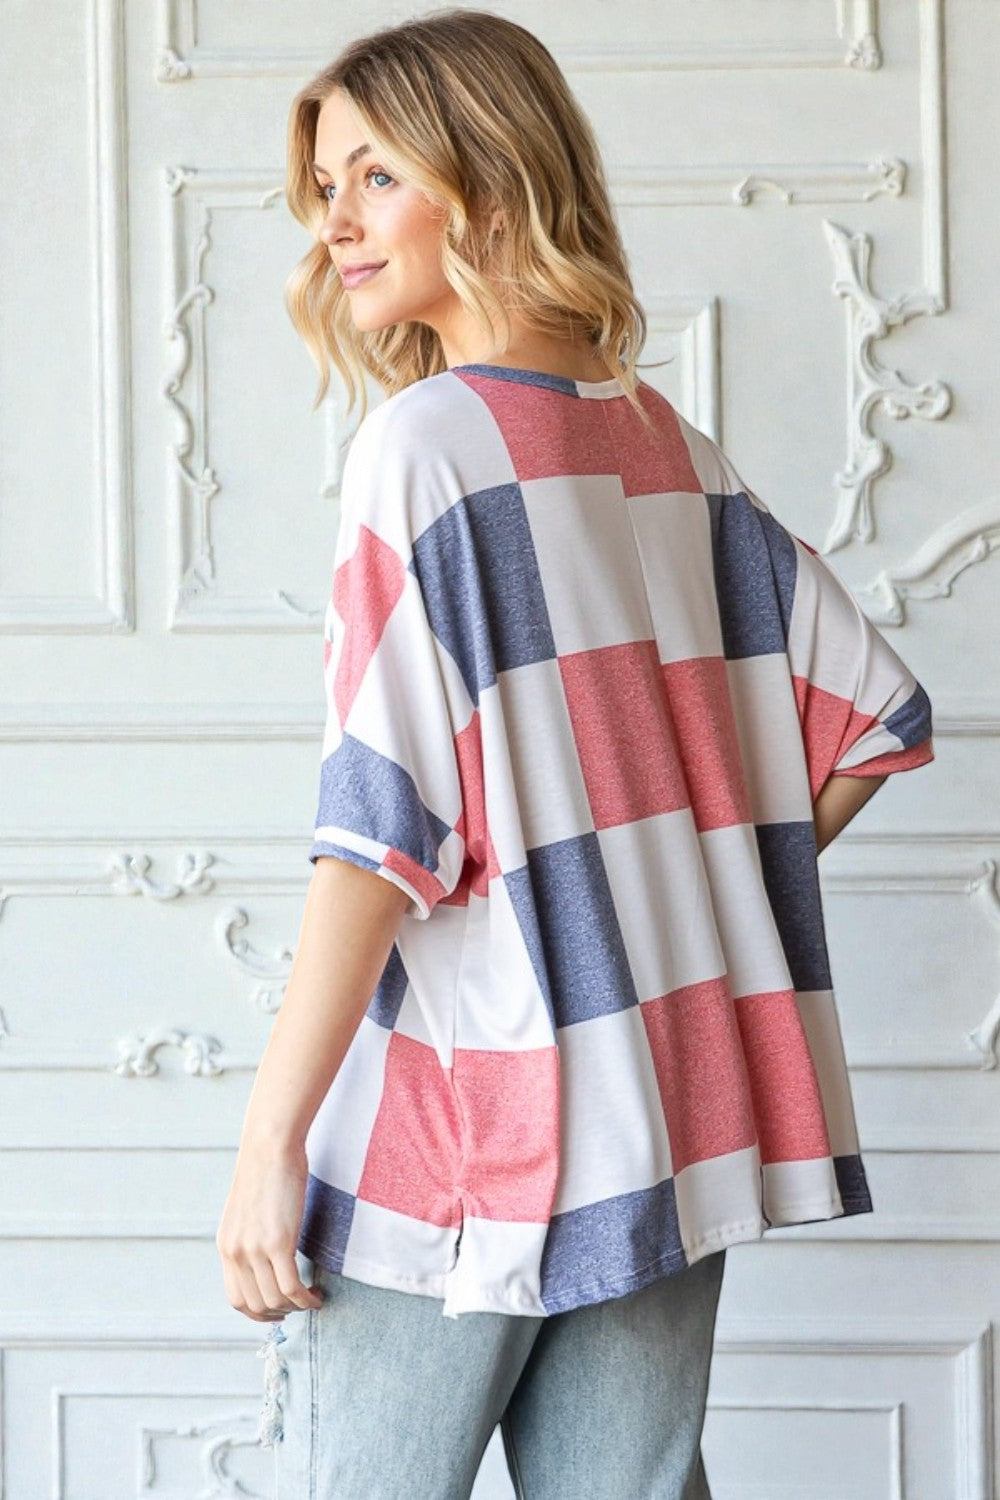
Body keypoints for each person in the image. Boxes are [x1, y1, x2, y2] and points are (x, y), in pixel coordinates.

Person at [214, 10, 935, 1498]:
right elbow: (875, 714)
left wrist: (267, 1140)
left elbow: (378, 836)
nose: (334, 222)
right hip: (663, 1103)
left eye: (371, 176)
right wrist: (682, 908)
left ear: (482, 180)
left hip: (468, 1118)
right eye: (324, 188)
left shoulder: (422, 447)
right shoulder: (658, 439)